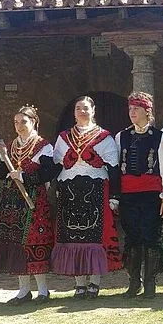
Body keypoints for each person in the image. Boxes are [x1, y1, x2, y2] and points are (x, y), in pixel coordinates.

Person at [0, 105, 58, 305]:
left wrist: (24, 176)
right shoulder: (10, 146)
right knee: (16, 243)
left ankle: (43, 290)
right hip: (12, 201)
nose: (19, 126)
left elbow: (49, 172)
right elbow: (1, 174)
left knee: (34, 242)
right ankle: (23, 290)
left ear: (34, 121)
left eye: (23, 121)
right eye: (16, 122)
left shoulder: (44, 146)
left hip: (33, 200)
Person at [51, 96, 122, 299]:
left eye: (85, 108)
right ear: (74, 113)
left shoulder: (104, 137)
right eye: (78, 108)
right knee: (72, 237)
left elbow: (114, 169)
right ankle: (79, 283)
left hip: (96, 191)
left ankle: (94, 282)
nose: (82, 111)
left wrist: (115, 196)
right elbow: (57, 165)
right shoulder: (64, 137)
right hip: (69, 191)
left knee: (95, 238)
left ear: (93, 111)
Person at [115, 92, 163, 299]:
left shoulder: (161, 136)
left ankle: (150, 282)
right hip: (128, 195)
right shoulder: (121, 136)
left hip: (152, 195)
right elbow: (115, 169)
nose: (132, 113)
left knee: (151, 237)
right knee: (132, 238)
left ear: (147, 111)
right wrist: (115, 196)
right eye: (130, 109)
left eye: (136, 109)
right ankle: (134, 282)